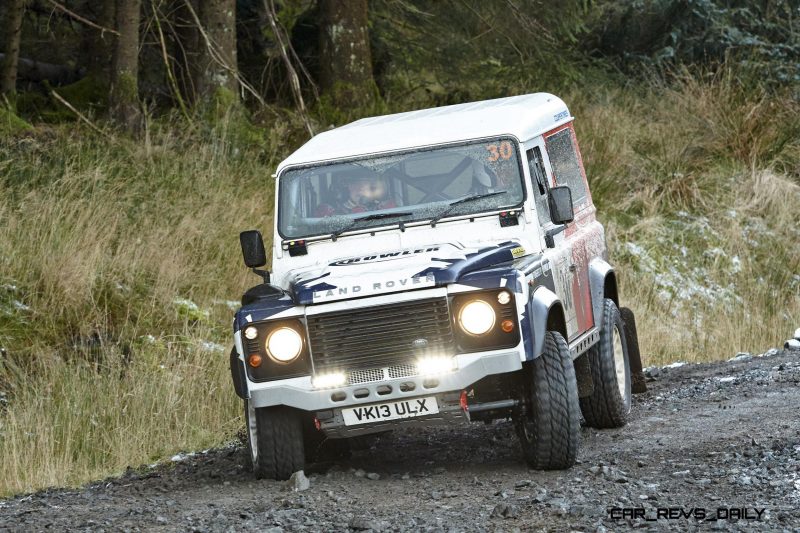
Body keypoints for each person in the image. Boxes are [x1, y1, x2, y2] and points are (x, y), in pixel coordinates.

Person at [316, 171, 396, 216]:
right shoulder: (327, 211)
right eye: (372, 188)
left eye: (372, 187)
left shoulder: (384, 209)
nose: (361, 191)